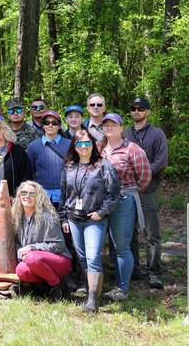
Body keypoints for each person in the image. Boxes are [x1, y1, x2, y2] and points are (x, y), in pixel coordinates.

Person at [59, 129, 119, 313]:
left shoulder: (103, 165)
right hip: (74, 218)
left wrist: (101, 212)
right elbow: (64, 194)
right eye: (79, 143)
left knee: (93, 257)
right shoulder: (69, 166)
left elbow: (113, 193)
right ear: (74, 146)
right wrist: (64, 218)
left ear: (93, 145)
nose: (83, 147)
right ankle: (89, 293)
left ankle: (94, 300)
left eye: (87, 143)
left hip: (94, 219)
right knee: (83, 257)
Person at [98, 112, 151, 302]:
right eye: (106, 125)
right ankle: (91, 285)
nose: (109, 127)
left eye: (114, 124)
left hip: (122, 202)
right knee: (94, 245)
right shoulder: (98, 148)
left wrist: (128, 192)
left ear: (122, 128)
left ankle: (122, 288)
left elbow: (144, 177)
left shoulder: (132, 149)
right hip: (98, 203)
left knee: (121, 246)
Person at [124, 97, 169, 289]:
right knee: (129, 232)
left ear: (148, 111)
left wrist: (142, 173)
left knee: (151, 233)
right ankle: (134, 269)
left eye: (140, 108)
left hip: (148, 190)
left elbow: (161, 161)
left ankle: (154, 272)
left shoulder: (157, 134)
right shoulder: (124, 133)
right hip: (127, 191)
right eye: (133, 108)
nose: (136, 111)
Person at [13, 181, 72, 298]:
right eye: (24, 193)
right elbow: (17, 243)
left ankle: (58, 286)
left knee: (32, 257)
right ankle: (43, 287)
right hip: (34, 261)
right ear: (19, 195)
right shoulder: (17, 217)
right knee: (21, 270)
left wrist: (32, 248)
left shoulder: (47, 217)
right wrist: (21, 255)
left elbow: (59, 245)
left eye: (32, 194)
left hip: (59, 260)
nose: (27, 196)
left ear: (39, 197)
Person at [26, 110, 71, 206]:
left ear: (59, 126)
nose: (50, 125)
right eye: (47, 123)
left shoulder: (69, 144)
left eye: (54, 123)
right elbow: (29, 171)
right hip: (41, 195)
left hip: (65, 195)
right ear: (42, 125)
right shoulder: (33, 146)